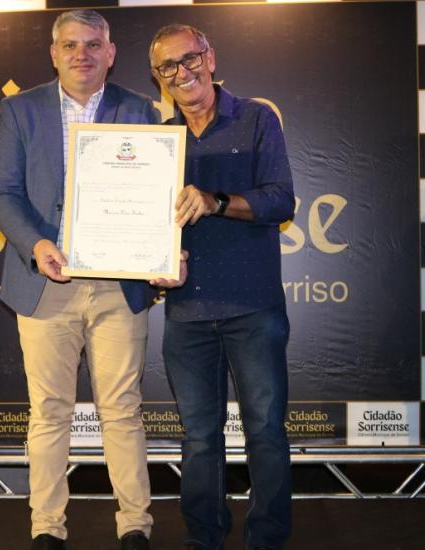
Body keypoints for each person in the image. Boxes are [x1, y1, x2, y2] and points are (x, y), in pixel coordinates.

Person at [0, 10, 183, 550]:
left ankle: (135, 525)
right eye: (70, 45)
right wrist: (37, 244)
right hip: (45, 282)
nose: (82, 54)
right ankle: (47, 527)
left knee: (122, 409)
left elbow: (159, 193)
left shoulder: (140, 110)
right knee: (48, 411)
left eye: (93, 44)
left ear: (110, 52)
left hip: (119, 284)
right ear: (54, 53)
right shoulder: (21, 109)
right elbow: (2, 193)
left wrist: (160, 249)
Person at [148, 24, 296, 550]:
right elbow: (145, 223)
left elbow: (280, 200)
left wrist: (216, 201)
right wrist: (153, 261)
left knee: (265, 431)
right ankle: (204, 537)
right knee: (198, 438)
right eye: (168, 66)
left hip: (253, 307)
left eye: (190, 58)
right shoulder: (158, 142)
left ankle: (267, 538)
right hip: (186, 311)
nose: (182, 72)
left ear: (210, 58)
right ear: (159, 78)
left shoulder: (256, 118)